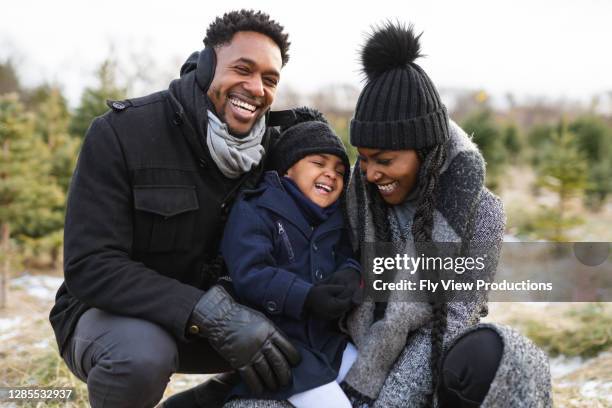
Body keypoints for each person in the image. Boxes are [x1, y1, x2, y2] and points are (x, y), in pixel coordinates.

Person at [224, 22, 552, 408]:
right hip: (340, 357)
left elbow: (453, 320)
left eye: (385, 160)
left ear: (425, 152)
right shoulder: (355, 199)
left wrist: (386, 400)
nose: (369, 173)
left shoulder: (482, 214)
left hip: (428, 364)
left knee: (498, 354)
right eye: (361, 158)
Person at [49, 10, 304, 408]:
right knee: (141, 357)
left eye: (269, 79)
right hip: (115, 318)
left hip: (226, 326)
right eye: (243, 69)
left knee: (313, 339)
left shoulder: (272, 150)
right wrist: (211, 313)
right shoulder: (122, 133)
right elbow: (90, 265)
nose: (256, 88)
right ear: (206, 65)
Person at [220, 109, 362, 407]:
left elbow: (350, 255)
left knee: (372, 380)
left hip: (328, 343)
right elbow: (251, 274)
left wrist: (350, 274)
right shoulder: (256, 210)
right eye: (318, 163)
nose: (330, 174)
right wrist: (305, 296)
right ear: (287, 169)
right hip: (281, 346)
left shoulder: (335, 217)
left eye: (339, 170)